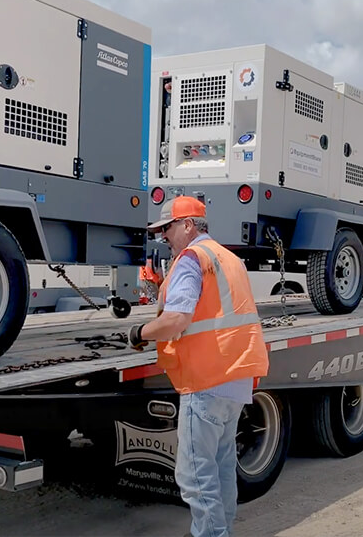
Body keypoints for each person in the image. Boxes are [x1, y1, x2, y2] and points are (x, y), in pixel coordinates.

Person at [127, 196, 268, 537]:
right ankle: (222, 531)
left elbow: (177, 319)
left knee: (195, 477)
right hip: (235, 378)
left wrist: (139, 333)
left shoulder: (192, 259)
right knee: (221, 468)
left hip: (206, 380)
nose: (163, 236)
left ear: (188, 225)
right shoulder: (228, 258)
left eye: (168, 228)